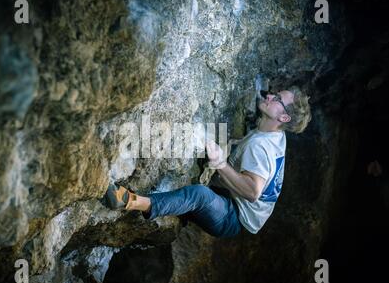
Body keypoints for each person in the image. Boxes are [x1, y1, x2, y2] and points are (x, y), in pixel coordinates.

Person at [106, 87, 311, 237]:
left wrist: (221, 164)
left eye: (277, 99)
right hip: (233, 203)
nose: (269, 95)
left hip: (234, 218)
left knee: (199, 195)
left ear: (283, 118)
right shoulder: (276, 136)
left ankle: (129, 201)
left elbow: (252, 192)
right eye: (274, 93)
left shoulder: (261, 147)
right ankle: (176, 207)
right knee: (192, 190)